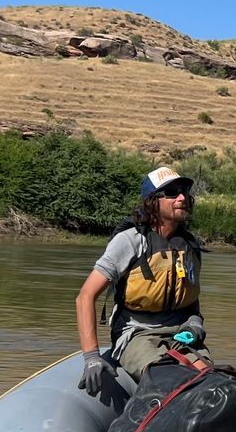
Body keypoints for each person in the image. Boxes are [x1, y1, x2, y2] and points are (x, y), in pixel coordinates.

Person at [74, 165, 210, 395]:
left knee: (209, 385)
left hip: (181, 333)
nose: (182, 197)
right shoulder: (130, 241)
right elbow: (85, 297)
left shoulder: (189, 246)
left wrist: (195, 322)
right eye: (171, 192)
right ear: (152, 201)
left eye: (184, 191)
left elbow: (190, 300)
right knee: (170, 384)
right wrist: (91, 357)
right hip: (136, 334)